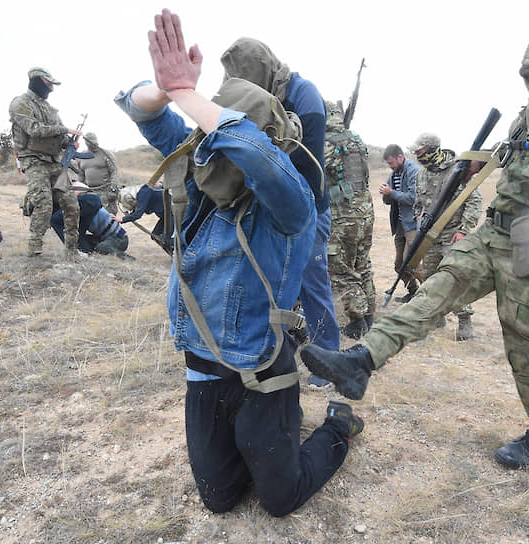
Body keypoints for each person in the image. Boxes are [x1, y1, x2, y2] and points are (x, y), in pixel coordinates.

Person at [300, 17, 529, 470]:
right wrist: (476, 165)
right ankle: (360, 361)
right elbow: (512, 161)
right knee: (433, 294)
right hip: (494, 234)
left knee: (527, 349)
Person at [113, 8, 363, 516]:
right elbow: (140, 109)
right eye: (208, 140)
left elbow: (256, 156)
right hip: (203, 371)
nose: (212, 151)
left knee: (279, 500)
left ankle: (339, 423)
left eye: (220, 136)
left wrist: (190, 97)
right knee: (221, 501)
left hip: (260, 374)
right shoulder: (197, 171)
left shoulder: (291, 202)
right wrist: (167, 90)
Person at [220, 37, 340, 388]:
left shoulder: (304, 96)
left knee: (312, 282)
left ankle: (327, 361)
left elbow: (308, 167)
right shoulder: (247, 92)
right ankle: (275, 356)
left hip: (308, 210)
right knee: (270, 284)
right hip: (267, 207)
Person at [410, 132, 482, 340]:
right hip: (430, 237)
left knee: (455, 278)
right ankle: (435, 316)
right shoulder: (421, 174)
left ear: (432, 149)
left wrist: (463, 230)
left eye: (420, 151)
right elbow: (418, 202)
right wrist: (418, 218)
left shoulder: (458, 170)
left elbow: (474, 201)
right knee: (430, 278)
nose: (417, 155)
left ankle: (464, 321)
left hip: (452, 235)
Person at [9, 67, 82, 259]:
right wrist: (64, 129)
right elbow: (34, 129)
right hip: (33, 161)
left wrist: (70, 142)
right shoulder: (20, 103)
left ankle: (72, 250)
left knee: (72, 205)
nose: (51, 88)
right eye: (49, 84)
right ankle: (34, 252)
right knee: (44, 205)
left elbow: (59, 136)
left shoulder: (50, 109)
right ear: (38, 80)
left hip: (54, 162)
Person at [324, 100, 376, 340]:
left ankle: (358, 320)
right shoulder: (356, 140)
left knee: (340, 268)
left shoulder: (327, 143)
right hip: (365, 210)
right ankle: (370, 314)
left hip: (345, 215)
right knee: (362, 264)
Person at [379, 144, 421, 303]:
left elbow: (412, 198)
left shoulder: (413, 171)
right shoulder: (394, 173)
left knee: (411, 263)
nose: (390, 166)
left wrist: (391, 193)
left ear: (400, 157)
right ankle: (414, 292)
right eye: (388, 164)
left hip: (412, 223)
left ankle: (431, 297)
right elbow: (388, 200)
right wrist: (386, 193)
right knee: (399, 265)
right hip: (400, 225)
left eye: (391, 163)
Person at [50, 184, 130, 258]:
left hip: (119, 238)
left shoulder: (86, 206)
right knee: (79, 239)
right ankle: (88, 254)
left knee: (101, 248)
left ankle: (126, 257)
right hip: (102, 238)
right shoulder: (83, 210)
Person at [118, 183, 172, 251]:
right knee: (155, 236)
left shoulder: (143, 192)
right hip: (165, 216)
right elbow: (137, 210)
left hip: (172, 213)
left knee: (166, 240)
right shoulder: (141, 192)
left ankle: (180, 256)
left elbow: (138, 214)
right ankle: (174, 255)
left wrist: (122, 219)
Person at [75, 132, 120, 214]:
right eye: (91, 143)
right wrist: (80, 191)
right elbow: (81, 176)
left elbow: (114, 172)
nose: (94, 145)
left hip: (105, 191)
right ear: (86, 142)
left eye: (95, 143)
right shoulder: (82, 156)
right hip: (90, 192)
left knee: (109, 218)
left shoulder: (106, 154)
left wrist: (113, 188)